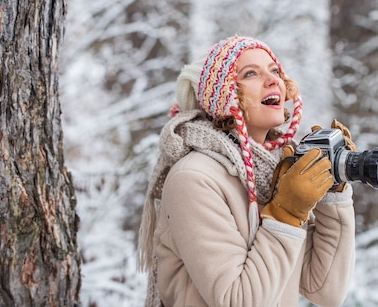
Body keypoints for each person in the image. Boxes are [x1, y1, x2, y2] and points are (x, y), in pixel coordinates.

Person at [138, 35, 356, 307]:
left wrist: (333, 195)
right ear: (223, 95)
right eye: (251, 73)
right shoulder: (194, 179)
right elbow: (237, 301)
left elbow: (324, 290)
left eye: (275, 70)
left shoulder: (278, 172)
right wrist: (286, 213)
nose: (273, 79)